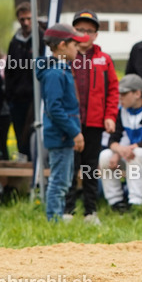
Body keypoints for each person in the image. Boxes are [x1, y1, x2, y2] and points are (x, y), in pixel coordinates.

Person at [65, 10, 119, 225]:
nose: (84, 34)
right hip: (71, 124)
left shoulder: (104, 60)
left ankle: (90, 211)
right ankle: (67, 210)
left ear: (96, 34)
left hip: (95, 123)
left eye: (89, 30)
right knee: (70, 166)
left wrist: (110, 116)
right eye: (80, 29)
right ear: (73, 32)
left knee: (89, 167)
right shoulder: (66, 57)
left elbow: (113, 90)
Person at [99, 74, 142, 213]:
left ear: (137, 93)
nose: (120, 98)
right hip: (134, 153)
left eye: (124, 94)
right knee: (105, 156)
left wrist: (121, 152)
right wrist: (118, 151)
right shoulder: (121, 110)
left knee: (134, 154)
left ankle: (136, 204)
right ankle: (116, 203)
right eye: (119, 94)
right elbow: (112, 140)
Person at [36, 24, 85, 222]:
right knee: (59, 181)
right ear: (62, 46)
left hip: (63, 134)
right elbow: (54, 108)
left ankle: (56, 215)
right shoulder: (55, 73)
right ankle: (53, 219)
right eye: (74, 44)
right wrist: (74, 132)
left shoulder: (61, 70)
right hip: (61, 134)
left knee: (63, 180)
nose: (77, 49)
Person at [5, 2, 36, 161]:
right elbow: (9, 70)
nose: (26, 23)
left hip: (35, 99)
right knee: (20, 135)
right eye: (22, 19)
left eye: (29, 19)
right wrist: (10, 94)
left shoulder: (41, 38)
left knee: (33, 134)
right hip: (17, 98)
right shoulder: (14, 42)